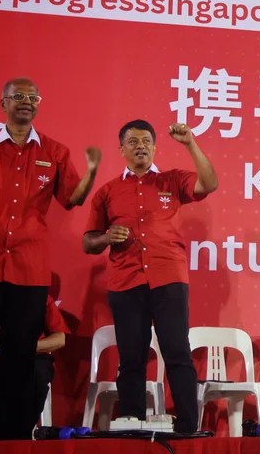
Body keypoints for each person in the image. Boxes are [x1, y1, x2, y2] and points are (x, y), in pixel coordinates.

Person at [0, 78, 101, 441]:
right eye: (18, 97)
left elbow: (72, 198)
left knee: (19, 362)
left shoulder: (55, 151)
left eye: (32, 97)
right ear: (3, 104)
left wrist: (90, 174)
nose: (26, 102)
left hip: (27, 270)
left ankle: (6, 443)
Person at [83, 119, 218, 433]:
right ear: (122, 150)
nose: (140, 146)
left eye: (146, 141)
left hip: (168, 277)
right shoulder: (107, 191)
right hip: (125, 281)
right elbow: (88, 241)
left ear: (155, 147)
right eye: (132, 141)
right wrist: (105, 239)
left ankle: (187, 425)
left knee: (177, 352)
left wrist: (189, 143)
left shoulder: (172, 180)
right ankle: (131, 421)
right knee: (131, 356)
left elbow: (209, 184)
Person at [0, 295, 70, 423]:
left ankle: (21, 431)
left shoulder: (41, 297)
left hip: (33, 357)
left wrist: (25, 347)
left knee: (35, 377)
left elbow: (60, 339)